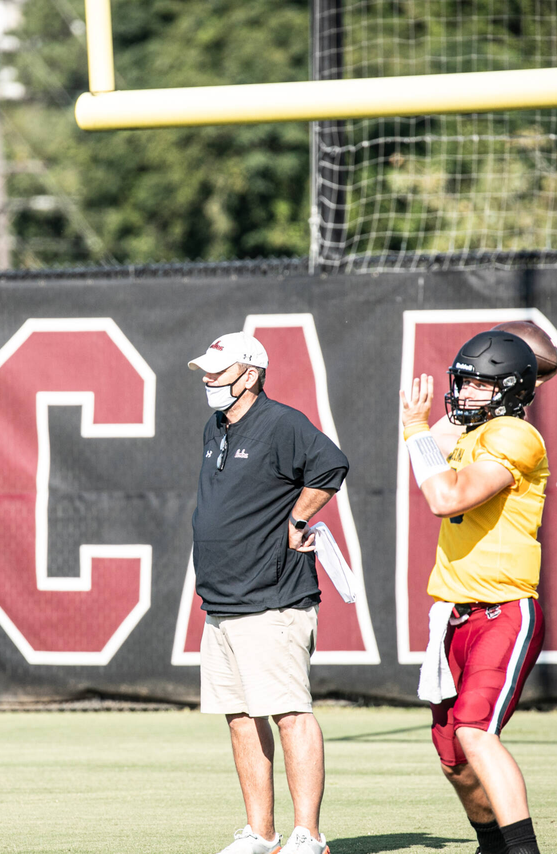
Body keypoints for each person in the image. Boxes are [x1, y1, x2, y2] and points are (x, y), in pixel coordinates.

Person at [189, 331, 349, 854]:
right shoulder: (216, 425)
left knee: (290, 714)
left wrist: (299, 518)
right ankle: (261, 834)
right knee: (240, 717)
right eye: (207, 371)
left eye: (218, 371)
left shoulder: (281, 422)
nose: (209, 379)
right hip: (222, 602)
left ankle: (309, 835)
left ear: (250, 374)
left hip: (272, 599)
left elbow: (331, 465)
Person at [400, 330, 548, 854]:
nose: (465, 394)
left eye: (479, 385)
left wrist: (416, 427)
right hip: (454, 615)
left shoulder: (516, 436)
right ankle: (492, 846)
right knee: (453, 757)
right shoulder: (474, 430)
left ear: (510, 392)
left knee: (474, 730)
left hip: (503, 611)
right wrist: (504, 374)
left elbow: (447, 496)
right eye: (462, 382)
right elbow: (431, 440)